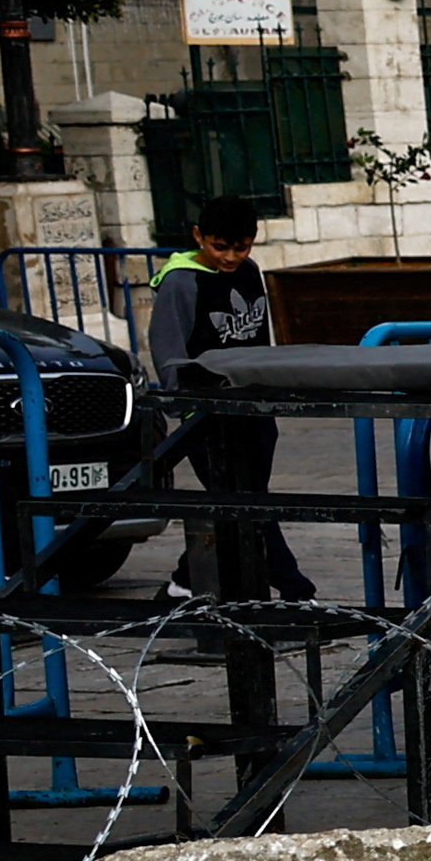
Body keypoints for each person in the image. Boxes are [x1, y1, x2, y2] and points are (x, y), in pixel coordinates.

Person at [138, 198, 311, 601]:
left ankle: (183, 581)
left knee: (242, 501)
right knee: (248, 500)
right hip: (207, 412)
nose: (231, 257)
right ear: (198, 236)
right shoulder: (180, 281)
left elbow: (259, 336)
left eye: (242, 247)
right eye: (220, 247)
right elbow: (167, 347)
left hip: (252, 405)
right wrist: (181, 403)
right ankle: (294, 585)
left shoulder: (250, 272)